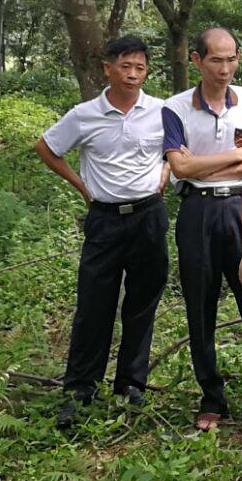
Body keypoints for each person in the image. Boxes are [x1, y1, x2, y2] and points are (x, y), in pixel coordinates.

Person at [36, 37, 170, 428]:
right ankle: (80, 390)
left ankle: (131, 385)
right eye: (125, 66)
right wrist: (82, 187)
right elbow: (47, 148)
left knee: (142, 304)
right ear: (108, 69)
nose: (132, 75)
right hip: (105, 219)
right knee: (94, 305)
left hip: (148, 216)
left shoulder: (162, 111)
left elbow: (180, 150)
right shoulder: (84, 115)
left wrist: (166, 170)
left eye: (140, 68)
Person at [163, 27, 242, 431]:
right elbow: (180, 168)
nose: (225, 68)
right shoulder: (175, 108)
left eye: (231, 59)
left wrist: (203, 163)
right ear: (196, 60)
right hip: (197, 211)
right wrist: (235, 156)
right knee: (200, 306)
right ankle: (212, 397)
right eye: (216, 60)